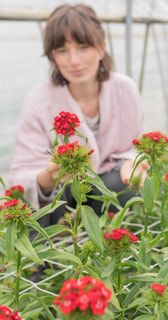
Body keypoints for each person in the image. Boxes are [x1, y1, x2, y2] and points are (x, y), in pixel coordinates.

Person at [9, 4, 147, 228]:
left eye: (83, 47)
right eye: (62, 51)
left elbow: (136, 146)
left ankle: (110, 242)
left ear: (101, 48)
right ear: (52, 58)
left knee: (118, 186)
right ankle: (44, 259)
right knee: (42, 208)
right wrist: (48, 176)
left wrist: (132, 162)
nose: (74, 61)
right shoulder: (39, 102)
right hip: (60, 195)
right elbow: (20, 176)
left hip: (104, 188)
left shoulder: (125, 90)